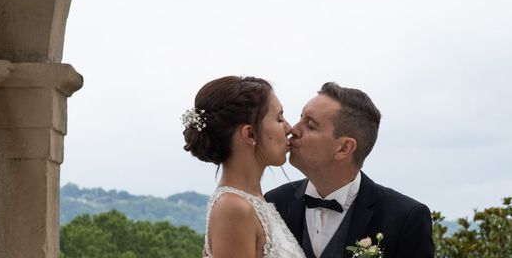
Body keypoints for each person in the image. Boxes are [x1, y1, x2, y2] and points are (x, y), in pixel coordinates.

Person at [265, 82, 434, 258]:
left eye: (310, 124)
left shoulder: (405, 218)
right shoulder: (272, 204)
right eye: (301, 118)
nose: (293, 129)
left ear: (344, 148)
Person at [182, 76, 306, 258]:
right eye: (279, 119)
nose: (289, 128)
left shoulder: (254, 202)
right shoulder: (233, 208)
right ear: (250, 134)